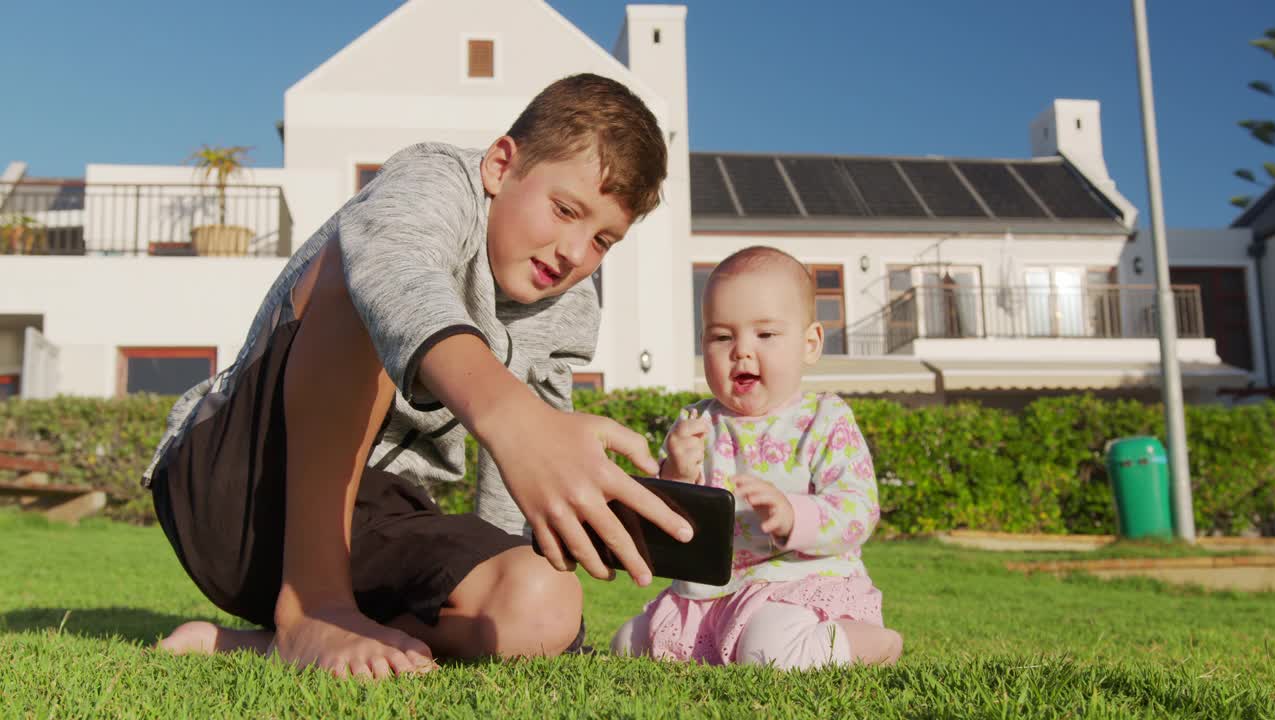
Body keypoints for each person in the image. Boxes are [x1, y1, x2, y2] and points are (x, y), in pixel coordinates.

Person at [145, 73, 694, 680]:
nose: (573, 251)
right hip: (237, 488)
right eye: (565, 210)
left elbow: (514, 489)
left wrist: (533, 554)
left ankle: (275, 642)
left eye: (602, 240)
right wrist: (513, 419)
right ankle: (312, 604)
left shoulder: (572, 303)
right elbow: (390, 266)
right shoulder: (434, 179)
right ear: (501, 165)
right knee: (354, 275)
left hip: (377, 517)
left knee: (542, 602)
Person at [610, 245, 903, 670]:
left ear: (810, 344)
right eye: (722, 336)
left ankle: (875, 643)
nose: (742, 351)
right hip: (711, 593)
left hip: (795, 585)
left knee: (769, 652)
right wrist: (675, 471)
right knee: (629, 644)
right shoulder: (697, 423)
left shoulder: (824, 419)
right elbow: (667, 522)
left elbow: (859, 510)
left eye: (765, 335)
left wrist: (793, 516)